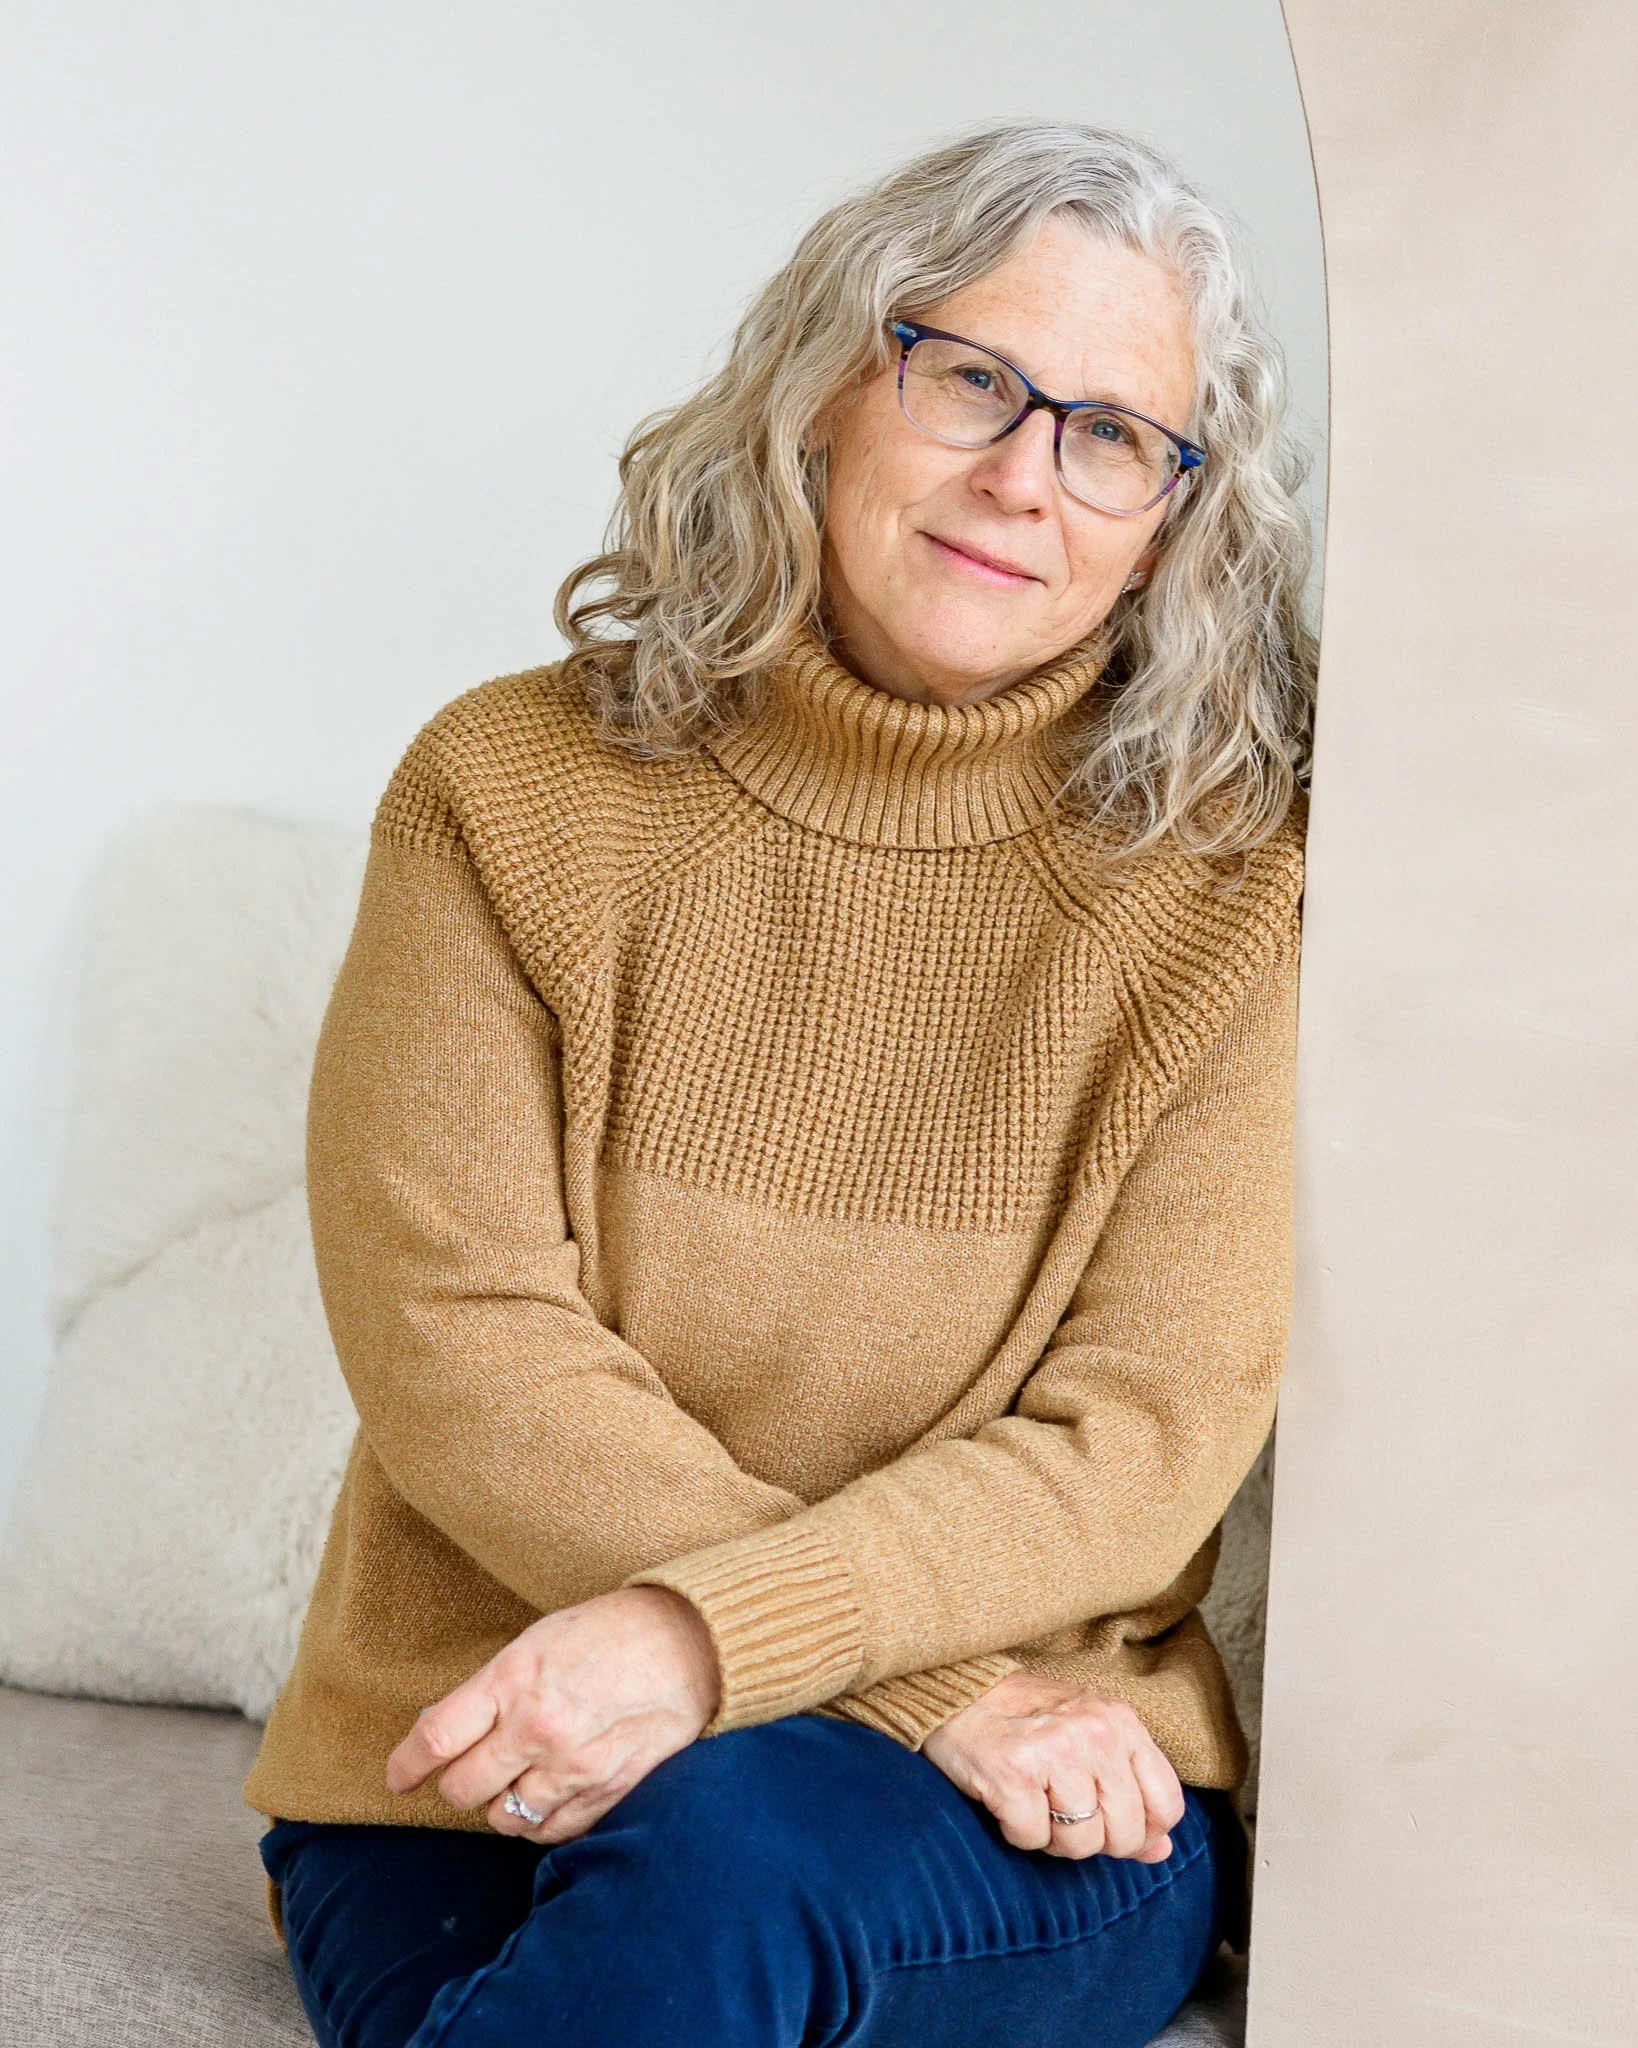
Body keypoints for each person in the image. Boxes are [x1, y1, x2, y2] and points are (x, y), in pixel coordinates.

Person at [243, 116, 1317, 2048]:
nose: (1023, 476)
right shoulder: (505, 793)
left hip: (1031, 1804)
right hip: (505, 1721)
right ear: (829, 383)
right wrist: (908, 1679)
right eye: (973, 378)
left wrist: (704, 1647)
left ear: (1173, 517)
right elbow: (455, 1333)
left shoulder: (1232, 890)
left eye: (1110, 437)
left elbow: (1137, 1440)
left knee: (730, 1864)